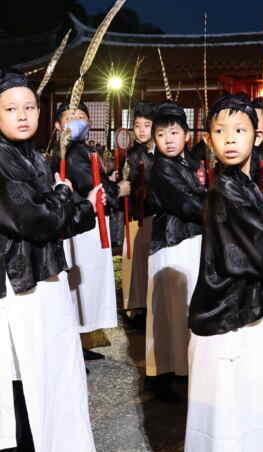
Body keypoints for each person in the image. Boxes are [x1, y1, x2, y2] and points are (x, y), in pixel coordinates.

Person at [0, 70, 101, 452]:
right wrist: (64, 197)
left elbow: (57, 218)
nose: (22, 116)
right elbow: (35, 219)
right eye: (11, 109)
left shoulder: (31, 155)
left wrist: (74, 206)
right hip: (5, 281)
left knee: (36, 364)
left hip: (35, 277)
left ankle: (34, 442)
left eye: (29, 107)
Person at [185, 93, 263, 452]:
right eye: (220, 131)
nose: (230, 139)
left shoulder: (240, 184)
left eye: (239, 130)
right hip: (228, 316)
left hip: (243, 310)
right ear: (209, 139)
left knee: (247, 407)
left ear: (257, 134)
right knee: (228, 415)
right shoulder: (225, 190)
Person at [145, 101, 206, 402]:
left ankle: (182, 367)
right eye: (161, 134)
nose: (168, 139)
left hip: (190, 241)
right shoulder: (162, 168)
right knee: (171, 310)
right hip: (171, 244)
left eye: (174, 132)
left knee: (184, 307)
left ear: (186, 134)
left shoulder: (190, 163)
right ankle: (170, 372)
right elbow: (186, 204)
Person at [60, 102, 130, 360]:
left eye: (81, 116)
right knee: (78, 286)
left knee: (87, 287)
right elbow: (88, 182)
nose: (76, 120)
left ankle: (80, 341)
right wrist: (117, 191)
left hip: (89, 221)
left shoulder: (81, 148)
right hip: (80, 223)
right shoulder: (70, 152)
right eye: (70, 117)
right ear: (59, 125)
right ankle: (72, 346)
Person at [122, 102, 156, 324]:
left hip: (155, 214)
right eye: (137, 125)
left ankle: (149, 306)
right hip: (138, 215)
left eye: (147, 125)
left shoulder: (163, 152)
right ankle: (138, 307)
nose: (142, 130)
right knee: (137, 264)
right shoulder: (132, 154)